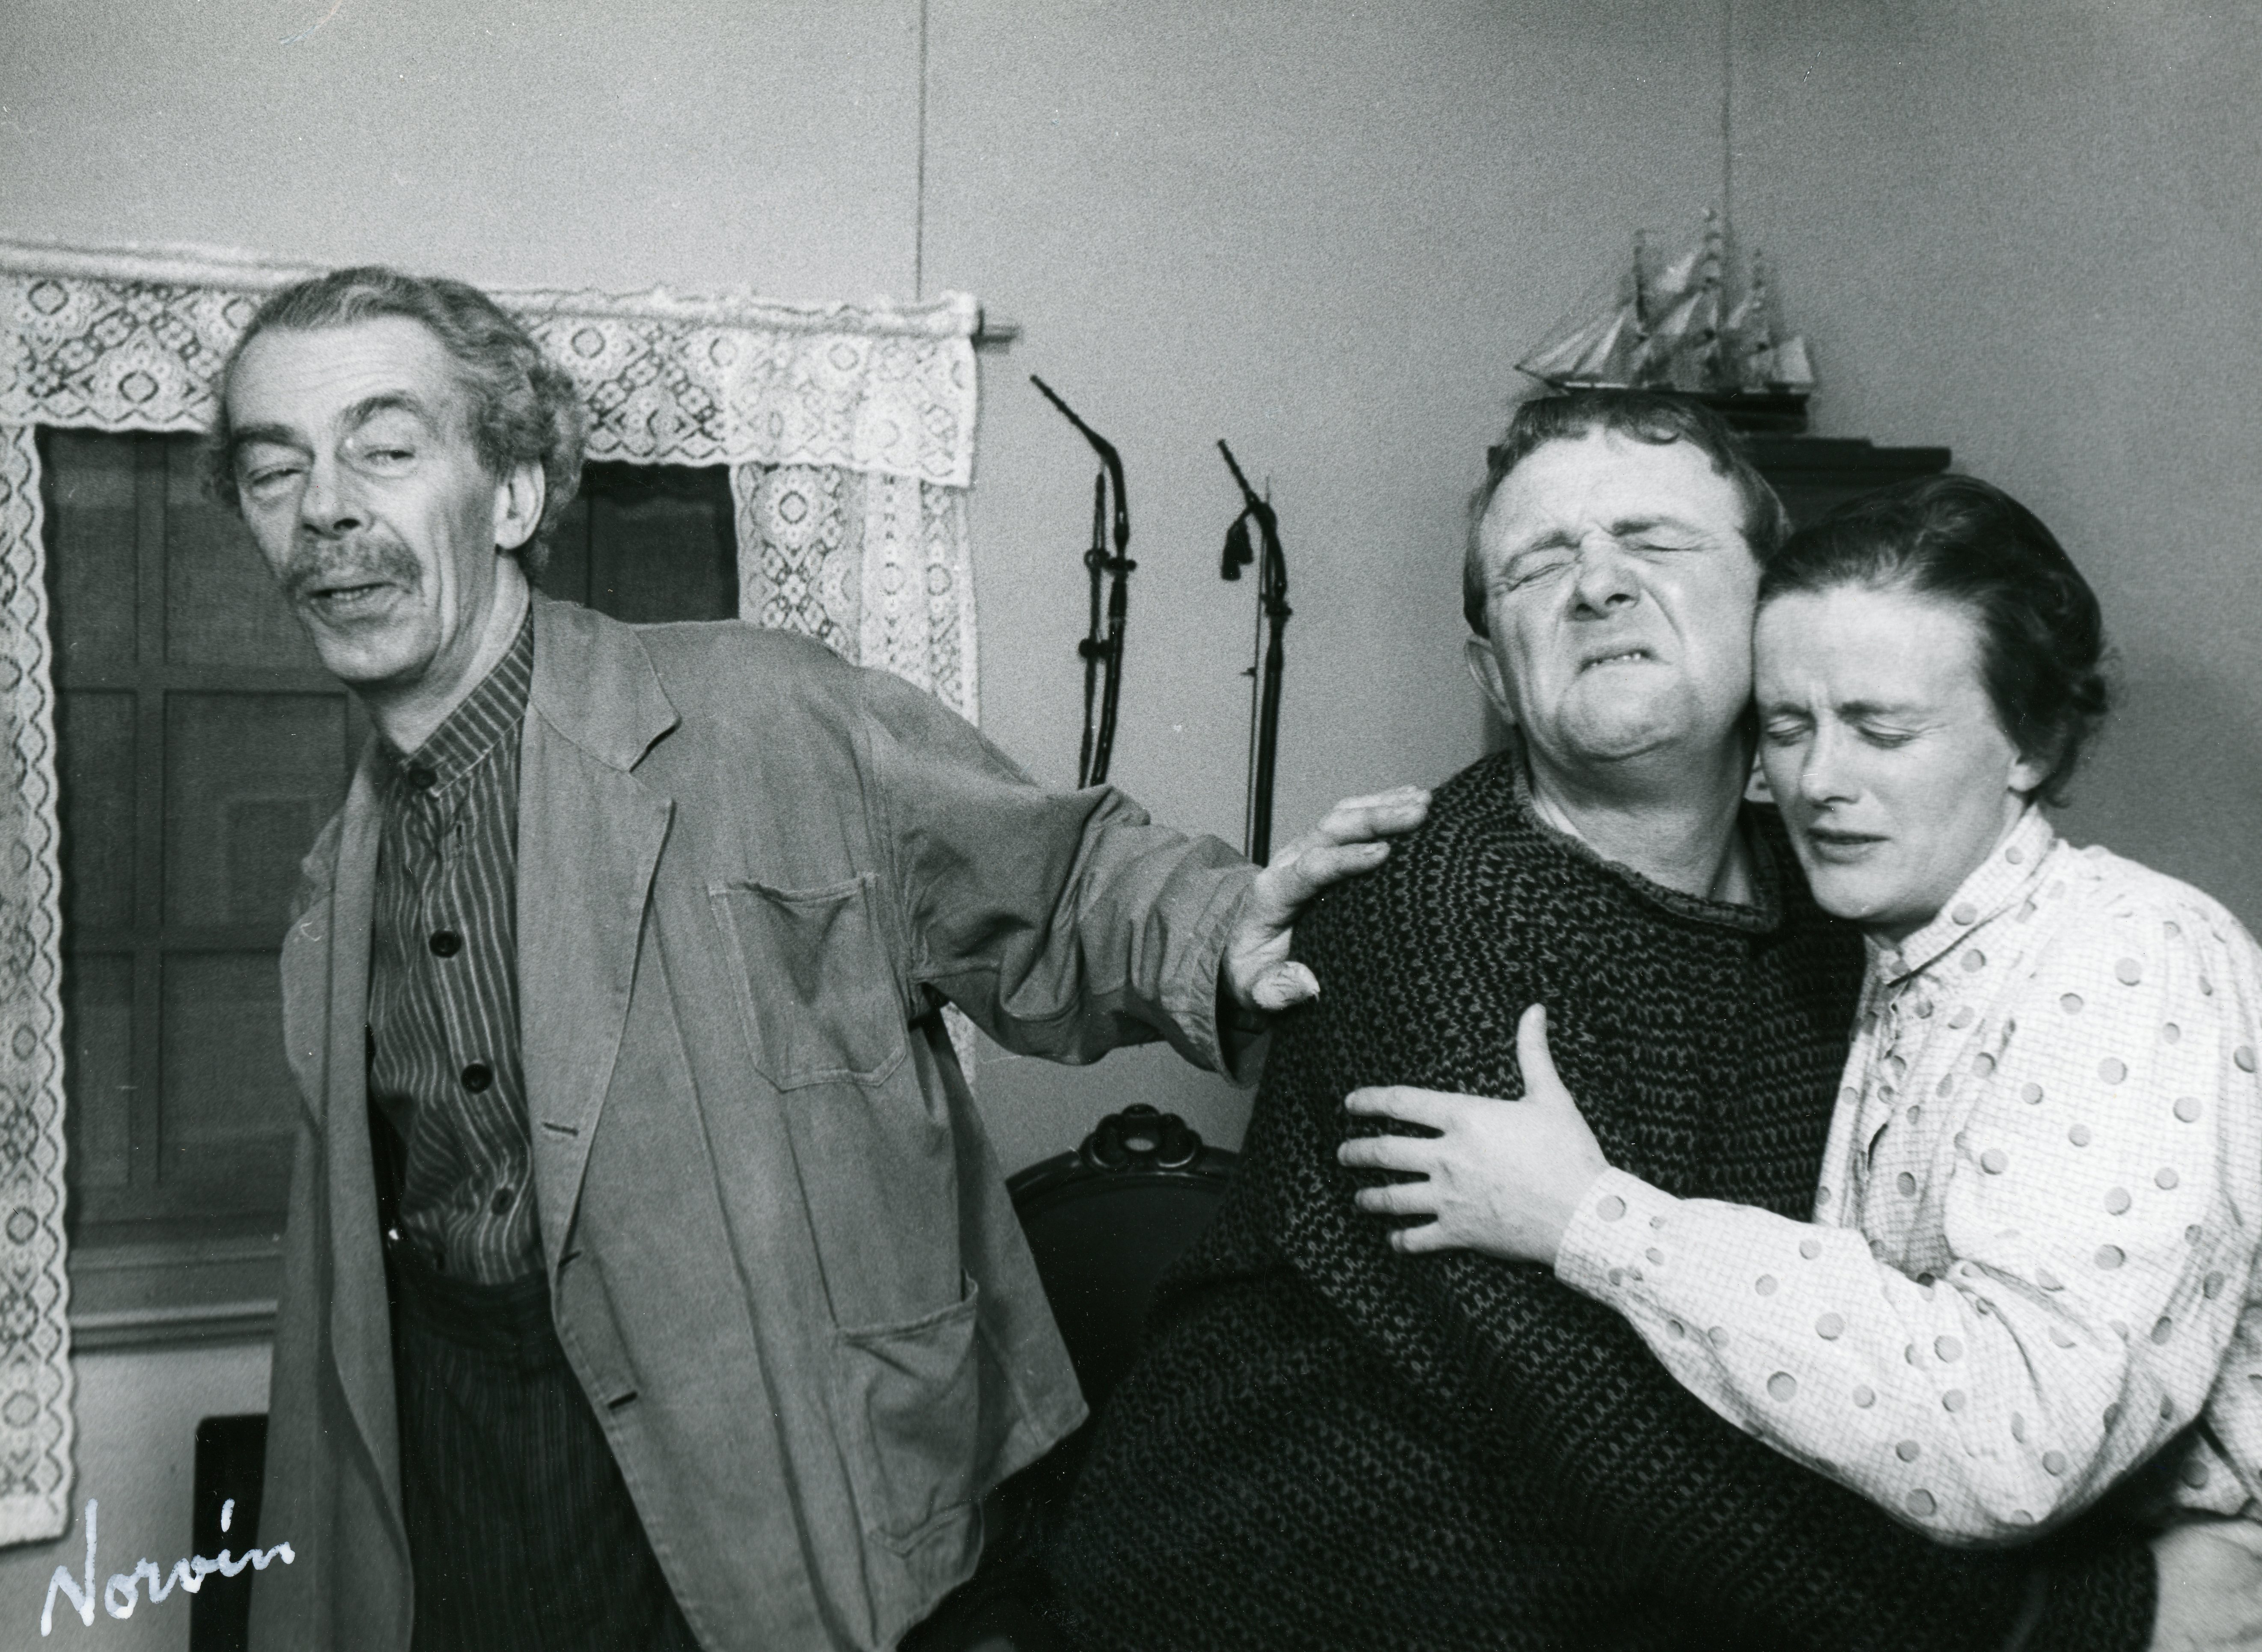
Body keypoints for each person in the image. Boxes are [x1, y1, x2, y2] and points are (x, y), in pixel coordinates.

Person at [210, 265, 1427, 1652]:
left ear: (515, 496)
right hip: (477, 1488)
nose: (324, 510)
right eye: (274, 471)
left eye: (383, 450)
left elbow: (1064, 882)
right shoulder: (334, 885)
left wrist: (1218, 927)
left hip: (795, 1479)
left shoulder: (764, 711)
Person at [1045, 394, 2246, 1650]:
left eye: (1653, 541)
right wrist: (2085, 1614)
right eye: (1536, 565)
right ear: (1492, 674)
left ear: (1771, 617)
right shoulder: (1431, 912)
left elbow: (1841, 1365)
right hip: (1301, 1593)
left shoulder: (1848, 898)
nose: (1597, 583)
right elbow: (1607, 1423)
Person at [1342, 476, 2262, 1561]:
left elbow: (2013, 1441)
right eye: (1787, 727)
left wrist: (1593, 1217)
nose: (1819, 780)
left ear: (2032, 741)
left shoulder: (2128, 955)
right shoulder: (1887, 945)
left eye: (1881, 729)